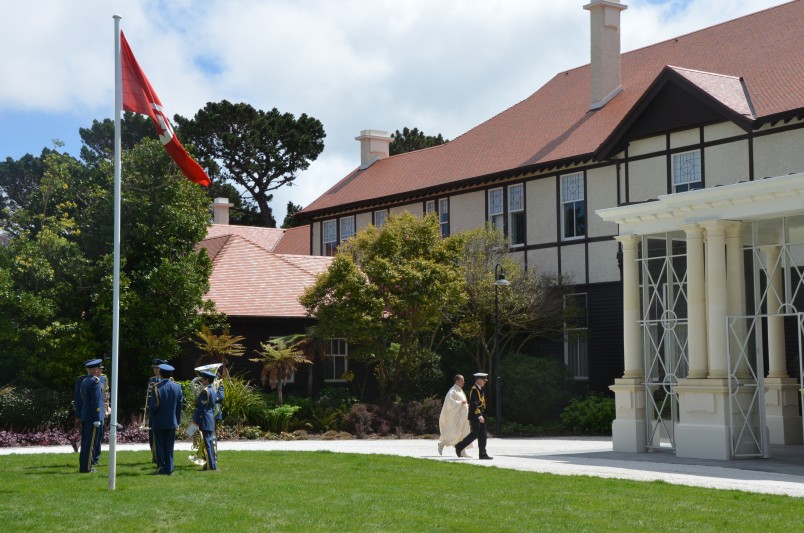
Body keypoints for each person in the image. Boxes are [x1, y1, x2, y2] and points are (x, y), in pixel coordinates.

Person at [148, 363, 183, 475]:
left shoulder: (156, 387)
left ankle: (161, 468)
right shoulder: (177, 387)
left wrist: (150, 416)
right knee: (169, 446)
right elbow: (179, 407)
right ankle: (169, 468)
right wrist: (177, 421)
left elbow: (153, 406)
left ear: (161, 374)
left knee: (159, 446)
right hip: (172, 421)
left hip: (158, 421)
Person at [455, 372, 492, 460]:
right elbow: (474, 404)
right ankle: (459, 446)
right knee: (475, 434)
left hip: (480, 414)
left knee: (482, 434)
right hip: (475, 415)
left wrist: (481, 414)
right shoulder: (474, 390)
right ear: (479, 380)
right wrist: (479, 415)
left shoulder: (479, 389)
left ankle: (482, 454)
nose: (485, 382)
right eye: (484, 380)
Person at [78, 359, 104, 473]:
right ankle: (87, 468)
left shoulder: (85, 380)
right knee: (90, 444)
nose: (100, 371)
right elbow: (96, 401)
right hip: (92, 417)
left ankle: (84, 466)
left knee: (85, 443)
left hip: (86, 415)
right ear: (95, 370)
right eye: (99, 369)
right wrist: (97, 417)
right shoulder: (95, 382)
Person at [437, 374, 471, 457]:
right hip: (457, 417)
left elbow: (463, 402)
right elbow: (449, 402)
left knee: (464, 433)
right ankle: (442, 444)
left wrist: (466, 405)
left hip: (464, 417)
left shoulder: (460, 390)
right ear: (457, 381)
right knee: (455, 433)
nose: (464, 382)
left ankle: (463, 451)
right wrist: (460, 403)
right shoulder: (453, 391)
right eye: (462, 380)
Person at [193, 370, 217, 471]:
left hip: (204, 419)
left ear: (207, 380)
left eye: (203, 379)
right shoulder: (212, 390)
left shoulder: (205, 391)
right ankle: (210, 465)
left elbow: (201, 409)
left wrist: (195, 421)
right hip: (210, 418)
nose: (201, 380)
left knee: (206, 442)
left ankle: (210, 466)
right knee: (208, 442)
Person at [146, 358, 167, 463]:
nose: (155, 370)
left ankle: (162, 456)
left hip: (163, 411)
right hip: (153, 411)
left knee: (162, 436)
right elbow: (149, 398)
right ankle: (154, 455)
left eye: (157, 368)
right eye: (154, 368)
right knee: (151, 435)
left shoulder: (167, 380)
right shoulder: (151, 380)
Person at [71, 366, 90, 453]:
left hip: (97, 412)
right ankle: (79, 444)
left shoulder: (102, 379)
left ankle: (79, 443)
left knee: (90, 433)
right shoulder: (81, 380)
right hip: (86, 412)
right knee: (89, 432)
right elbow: (78, 399)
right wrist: (78, 415)